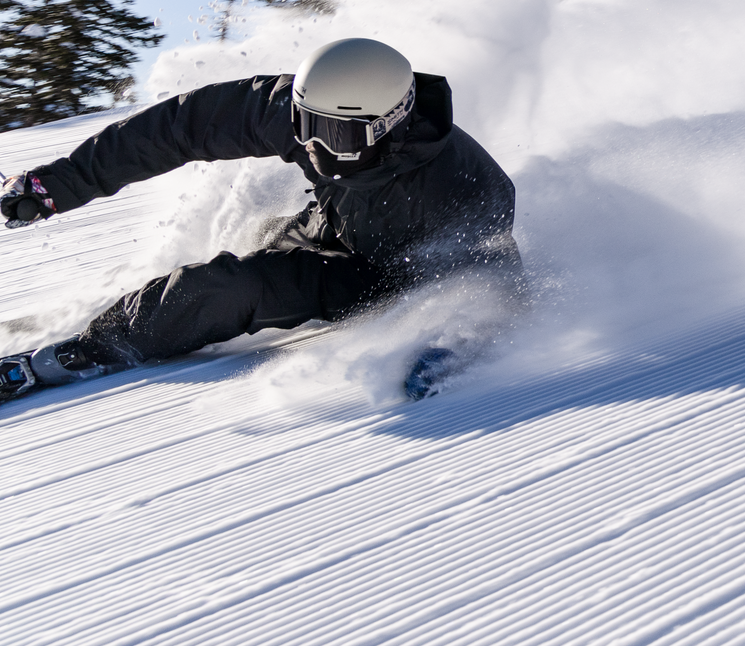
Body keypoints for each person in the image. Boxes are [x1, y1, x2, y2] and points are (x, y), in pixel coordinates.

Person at [1, 37, 518, 400]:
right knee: (239, 254)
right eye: (305, 125)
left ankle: (76, 356)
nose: (313, 146)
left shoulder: (462, 185)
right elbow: (181, 126)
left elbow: (496, 278)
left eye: (336, 136)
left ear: (390, 126)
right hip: (324, 228)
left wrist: (454, 345)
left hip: (387, 279)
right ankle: (124, 315)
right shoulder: (297, 112)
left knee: (226, 291)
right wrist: (61, 184)